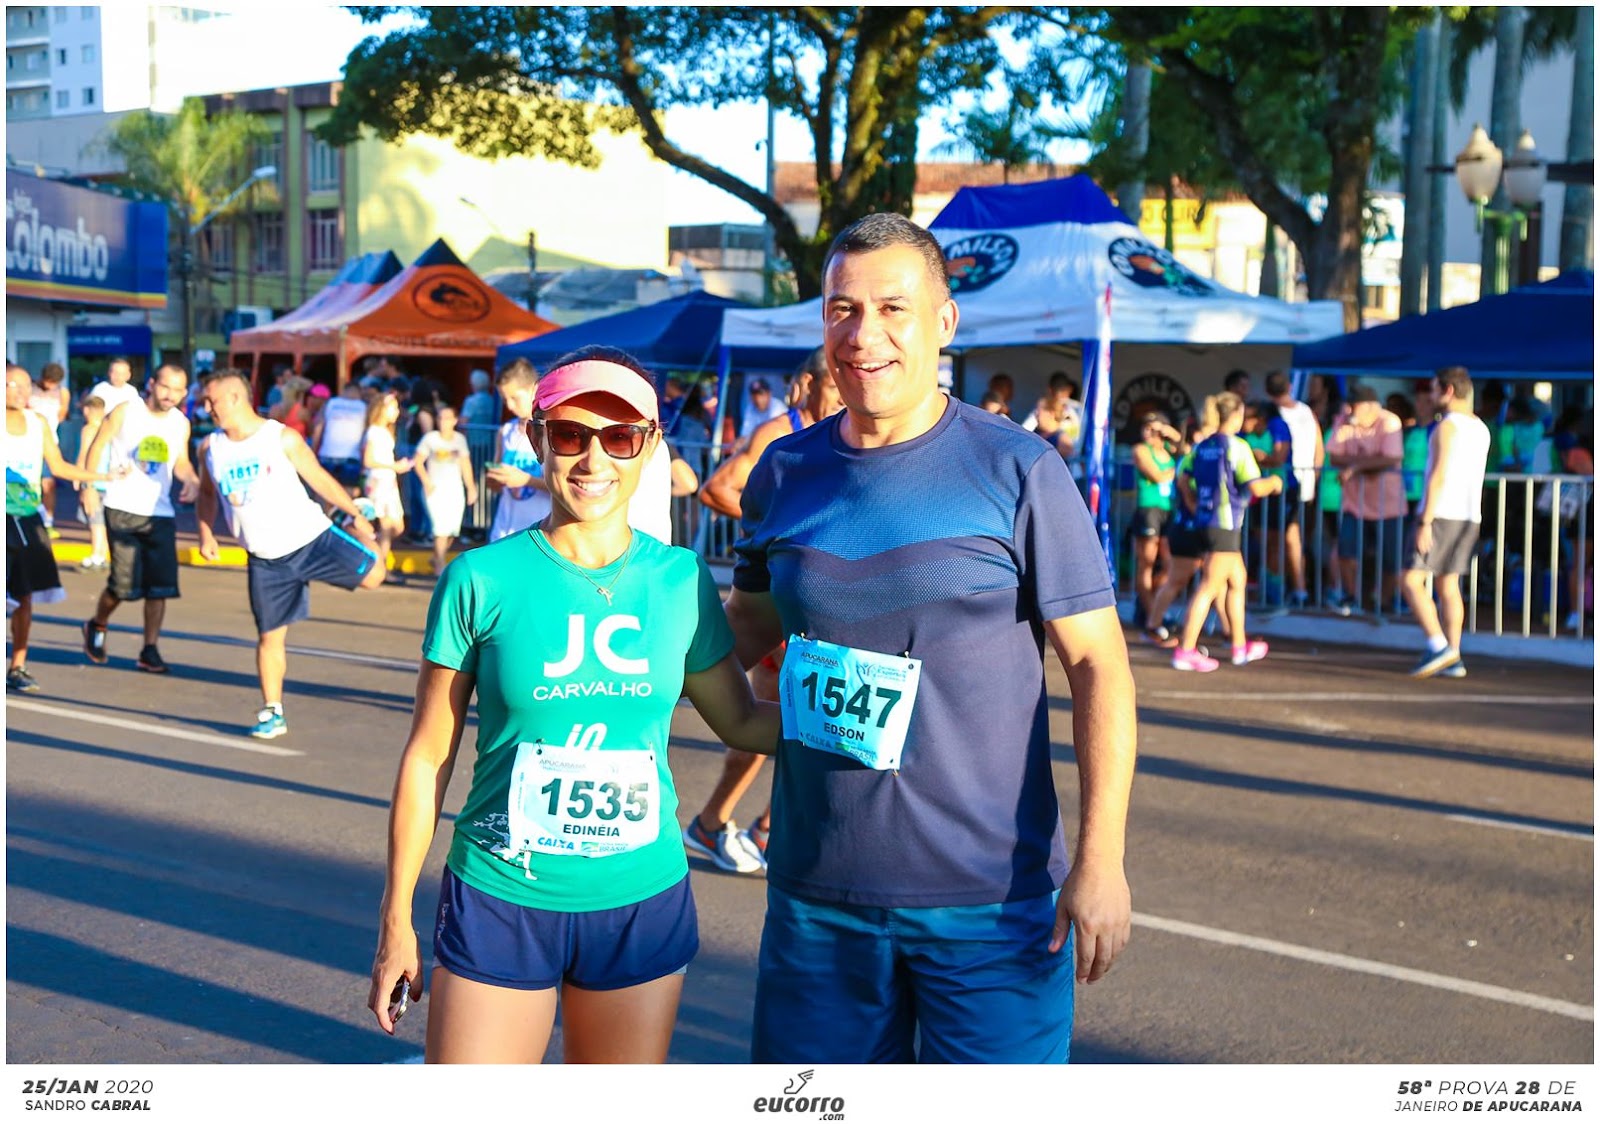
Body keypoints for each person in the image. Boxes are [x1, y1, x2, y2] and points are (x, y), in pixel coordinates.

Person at [724, 212, 1135, 1064]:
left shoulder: (1018, 468)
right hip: (818, 899)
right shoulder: (785, 472)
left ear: (944, 322)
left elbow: (1098, 664)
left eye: (892, 309)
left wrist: (1101, 859)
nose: (863, 335)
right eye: (843, 309)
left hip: (990, 905)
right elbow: (744, 627)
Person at [367, 349, 779, 1063]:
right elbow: (429, 754)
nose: (594, 459)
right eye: (569, 434)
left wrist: (871, 726)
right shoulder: (480, 578)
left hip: (639, 900)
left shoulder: (680, 580)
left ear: (649, 446)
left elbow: (740, 720)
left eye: (619, 437)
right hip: (501, 893)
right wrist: (395, 919)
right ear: (536, 438)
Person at [688, 349, 842, 874]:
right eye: (834, 387)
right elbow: (716, 488)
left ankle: (757, 826)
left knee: (806, 719)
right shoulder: (778, 434)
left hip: (811, 599)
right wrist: (781, 533)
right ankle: (720, 823)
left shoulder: (839, 434)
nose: (842, 399)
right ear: (808, 384)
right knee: (777, 721)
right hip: (774, 601)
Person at [194, 369, 387, 737]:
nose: (206, 408)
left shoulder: (279, 437)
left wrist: (356, 514)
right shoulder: (210, 449)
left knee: (375, 575)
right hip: (266, 559)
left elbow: (318, 478)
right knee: (270, 637)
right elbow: (206, 494)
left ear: (235, 398)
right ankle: (273, 711)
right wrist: (206, 533)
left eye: (211, 400)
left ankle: (347, 527)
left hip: (311, 538)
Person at [6, 364, 119, 692]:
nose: (23, 392)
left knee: (24, 596)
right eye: (13, 385)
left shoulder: (37, 423)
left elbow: (57, 466)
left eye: (26, 386)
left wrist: (101, 477)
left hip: (28, 518)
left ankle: (18, 666)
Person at [81, 363, 200, 674]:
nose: (170, 394)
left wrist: (191, 479)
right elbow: (98, 445)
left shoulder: (180, 423)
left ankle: (149, 649)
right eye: (165, 386)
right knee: (123, 585)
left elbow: (181, 462)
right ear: (151, 384)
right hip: (121, 506)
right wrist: (89, 486)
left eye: (178, 390)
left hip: (160, 512)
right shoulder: (126, 411)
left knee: (160, 587)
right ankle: (98, 623)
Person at [1169, 392, 1284, 672]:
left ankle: (1239, 645)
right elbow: (1256, 487)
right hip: (1225, 522)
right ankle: (1185, 649)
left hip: (1208, 521)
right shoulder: (1237, 447)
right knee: (1209, 587)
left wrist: (1194, 504)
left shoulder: (1203, 446)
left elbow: (1183, 479)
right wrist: (1274, 482)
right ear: (1235, 416)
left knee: (1237, 579)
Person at [1402, 367, 1492, 679]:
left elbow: (1438, 475)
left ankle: (1439, 645)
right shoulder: (1480, 428)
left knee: (1410, 580)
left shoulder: (1447, 426)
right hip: (1468, 515)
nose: (1430, 396)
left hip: (1441, 513)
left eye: (1434, 389)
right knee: (1448, 584)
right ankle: (1453, 655)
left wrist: (1425, 521)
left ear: (1449, 390)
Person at [1326, 385, 1407, 615]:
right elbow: (1334, 457)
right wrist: (1368, 463)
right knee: (1346, 552)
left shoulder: (1389, 421)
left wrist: (1355, 467)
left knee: (1391, 559)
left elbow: (1391, 458)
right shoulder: (1344, 420)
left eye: (1355, 405)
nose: (1349, 409)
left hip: (1389, 505)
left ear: (1371, 406)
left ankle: (1383, 601)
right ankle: (1354, 598)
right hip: (1354, 504)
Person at [1261, 371, 1324, 610]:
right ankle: (1293, 588)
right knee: (1288, 537)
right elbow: (1319, 447)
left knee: (1288, 537)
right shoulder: (1306, 411)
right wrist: (1314, 478)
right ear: (1289, 386)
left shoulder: (1277, 415)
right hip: (1301, 485)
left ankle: (1294, 589)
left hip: (1288, 485)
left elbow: (1285, 452)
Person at [485, 358, 548, 541]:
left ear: (534, 389)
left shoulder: (550, 432)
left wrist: (526, 480)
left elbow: (563, 487)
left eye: (515, 398)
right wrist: (494, 480)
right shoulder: (505, 431)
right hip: (503, 532)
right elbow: (497, 485)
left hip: (538, 535)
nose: (509, 406)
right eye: (505, 400)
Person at [413, 403, 478, 576]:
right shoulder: (430, 439)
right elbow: (418, 462)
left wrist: (471, 487)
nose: (443, 422)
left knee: (451, 531)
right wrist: (426, 482)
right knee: (440, 529)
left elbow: (465, 465)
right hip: (435, 489)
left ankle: (436, 557)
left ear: (455, 420)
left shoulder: (459, 440)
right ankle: (440, 567)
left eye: (447, 418)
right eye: (440, 418)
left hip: (454, 489)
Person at [1130, 411, 1181, 628]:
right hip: (1148, 509)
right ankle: (1153, 618)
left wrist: (1172, 434)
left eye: (1153, 428)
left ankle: (1148, 606)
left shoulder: (1168, 450)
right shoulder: (1141, 449)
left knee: (1170, 565)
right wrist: (1176, 468)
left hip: (1167, 510)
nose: (1148, 432)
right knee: (1146, 564)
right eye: (1146, 427)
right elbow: (1157, 475)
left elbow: (1188, 450)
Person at [363, 390, 414, 577]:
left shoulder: (384, 432)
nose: (397, 412)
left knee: (396, 526)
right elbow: (368, 460)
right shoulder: (375, 432)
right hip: (379, 480)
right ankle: (382, 567)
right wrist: (394, 466)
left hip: (387, 480)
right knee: (386, 525)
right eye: (393, 408)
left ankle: (375, 553)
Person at [28, 361, 69, 537]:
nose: (50, 386)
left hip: (49, 442)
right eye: (48, 381)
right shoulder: (30, 388)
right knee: (29, 483)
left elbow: (62, 415)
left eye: (54, 383)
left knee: (48, 484)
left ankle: (48, 521)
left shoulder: (62, 393)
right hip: (28, 443)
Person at [312, 378, 369, 496]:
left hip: (327, 455)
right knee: (348, 496)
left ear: (343, 391)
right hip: (351, 458)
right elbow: (366, 437)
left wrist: (313, 451)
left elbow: (318, 429)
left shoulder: (331, 403)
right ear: (359, 392)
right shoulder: (364, 407)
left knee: (325, 494)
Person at [74, 396, 112, 571]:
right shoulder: (108, 430)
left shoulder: (88, 429)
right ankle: (102, 554)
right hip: (107, 480)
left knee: (95, 520)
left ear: (87, 410)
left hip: (92, 479)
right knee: (102, 520)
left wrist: (78, 475)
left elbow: (84, 454)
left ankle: (97, 554)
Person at [1022, 372, 1083, 472]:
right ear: (1069, 389)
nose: (1037, 416)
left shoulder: (1061, 437)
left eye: (1039, 413)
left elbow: (1023, 431)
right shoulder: (1079, 410)